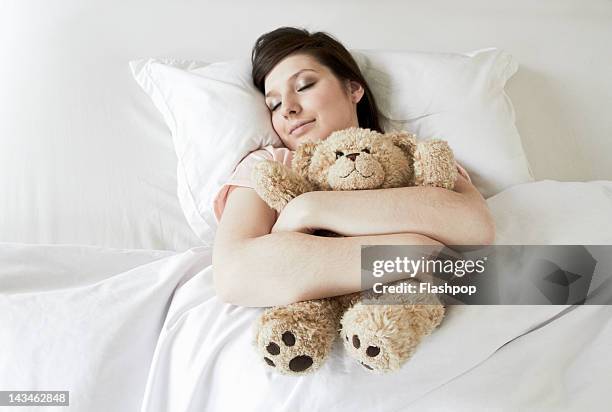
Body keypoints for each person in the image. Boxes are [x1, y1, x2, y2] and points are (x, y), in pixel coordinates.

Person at [212, 27, 495, 307]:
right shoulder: (270, 165)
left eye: (304, 86)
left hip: (423, 315)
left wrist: (308, 209)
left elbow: (474, 226)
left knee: (530, 278)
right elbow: (234, 275)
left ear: (353, 88)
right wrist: (414, 252)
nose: (288, 108)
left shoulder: (407, 154)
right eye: (274, 104)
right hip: (322, 332)